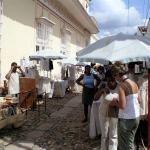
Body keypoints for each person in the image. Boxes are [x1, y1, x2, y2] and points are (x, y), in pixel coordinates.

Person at [110, 63, 140, 150]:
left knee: (124, 146)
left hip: (126, 119)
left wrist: (115, 102)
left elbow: (122, 106)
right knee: (130, 143)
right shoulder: (134, 83)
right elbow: (139, 100)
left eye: (115, 76)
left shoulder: (122, 86)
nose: (115, 79)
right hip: (136, 117)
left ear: (118, 75)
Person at [94, 77, 119, 150]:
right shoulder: (104, 86)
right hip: (103, 113)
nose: (110, 83)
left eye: (112, 81)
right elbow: (95, 98)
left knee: (113, 135)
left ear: (115, 80)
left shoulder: (120, 86)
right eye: (109, 81)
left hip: (114, 113)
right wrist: (101, 91)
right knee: (104, 134)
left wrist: (114, 100)